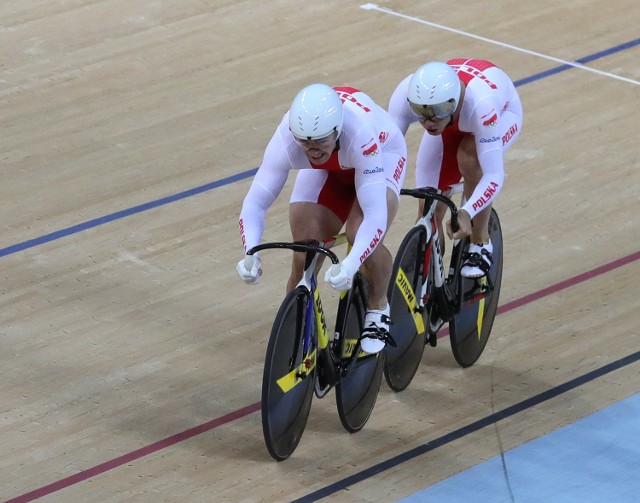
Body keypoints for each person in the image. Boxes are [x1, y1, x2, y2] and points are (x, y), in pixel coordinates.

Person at [236, 83, 408, 353]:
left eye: (320, 142)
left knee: (358, 233)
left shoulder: (360, 136)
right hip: (333, 168)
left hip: (381, 157)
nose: (313, 149)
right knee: (304, 250)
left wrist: (351, 265)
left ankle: (378, 306)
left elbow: (375, 216)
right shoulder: (288, 137)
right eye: (305, 142)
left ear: (337, 130)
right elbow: (255, 202)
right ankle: (297, 327)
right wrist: (250, 252)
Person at [388, 59, 523, 278]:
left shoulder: (482, 106)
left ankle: (480, 241)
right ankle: (432, 280)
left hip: (501, 116)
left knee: (470, 159)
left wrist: (466, 211)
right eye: (420, 113)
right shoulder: (406, 94)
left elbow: (494, 175)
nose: (428, 122)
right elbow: (389, 152)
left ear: (452, 102)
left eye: (436, 111)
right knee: (428, 207)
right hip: (451, 124)